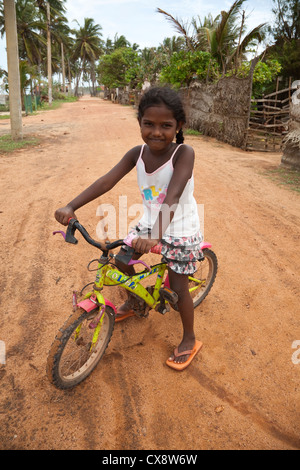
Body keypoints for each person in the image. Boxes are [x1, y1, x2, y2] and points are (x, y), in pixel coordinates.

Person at [55, 86, 203, 371]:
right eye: (149, 124)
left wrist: (156, 235)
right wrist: (71, 206)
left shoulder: (184, 153)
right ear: (140, 123)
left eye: (166, 126)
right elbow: (105, 181)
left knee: (180, 287)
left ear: (179, 126)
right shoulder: (137, 153)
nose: (156, 132)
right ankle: (136, 301)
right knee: (121, 260)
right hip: (150, 223)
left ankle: (189, 339)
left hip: (179, 227)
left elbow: (171, 197)